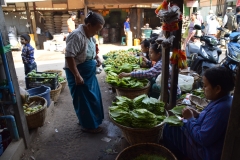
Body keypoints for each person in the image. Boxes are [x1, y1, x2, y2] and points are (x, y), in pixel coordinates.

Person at [163, 66, 235, 160]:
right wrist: (197, 114)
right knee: (175, 124)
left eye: (205, 86)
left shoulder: (221, 109)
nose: (203, 89)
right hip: (205, 142)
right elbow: (209, 123)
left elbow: (202, 138)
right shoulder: (223, 100)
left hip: (206, 153)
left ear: (217, 89)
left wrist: (190, 119)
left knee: (169, 128)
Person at [64, 11, 105, 133]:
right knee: (83, 100)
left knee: (92, 97)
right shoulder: (76, 35)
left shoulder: (90, 36)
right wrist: (77, 76)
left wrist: (96, 58)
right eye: (96, 29)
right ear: (89, 26)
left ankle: (87, 120)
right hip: (78, 73)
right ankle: (89, 126)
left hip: (88, 73)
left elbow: (91, 51)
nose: (97, 32)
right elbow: (69, 56)